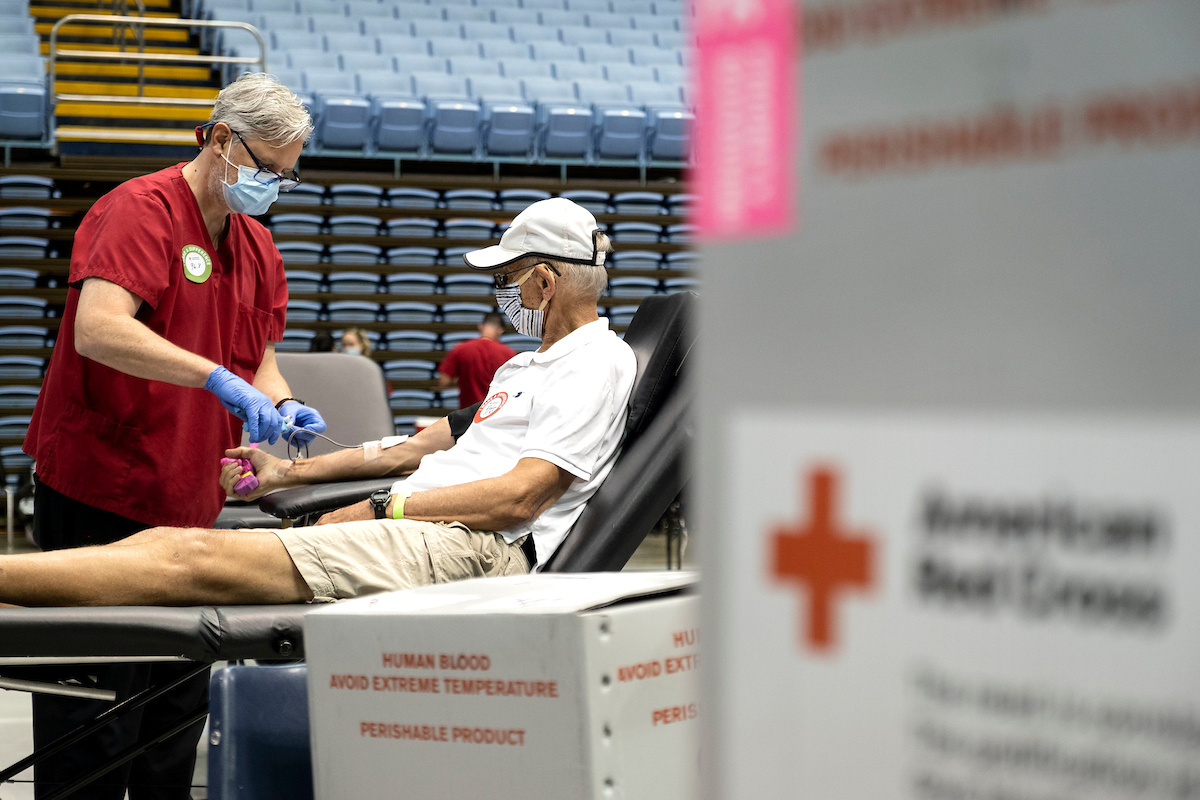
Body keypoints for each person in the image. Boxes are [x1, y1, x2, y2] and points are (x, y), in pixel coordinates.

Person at [0, 198, 632, 609]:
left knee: (187, 557)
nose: (501, 292)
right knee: (166, 543)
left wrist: (385, 509)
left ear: (543, 282)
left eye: (506, 278)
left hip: (470, 546)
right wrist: (287, 472)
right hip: (429, 529)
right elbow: (406, 450)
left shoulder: (594, 361)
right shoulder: (524, 366)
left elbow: (518, 499)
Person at [18, 73, 327, 800]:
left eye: (287, 177)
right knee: (94, 717)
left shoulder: (256, 245)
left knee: (172, 715)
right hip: (102, 490)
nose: (274, 187)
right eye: (267, 170)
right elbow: (99, 331)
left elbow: (260, 356)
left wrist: (283, 405)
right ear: (220, 140)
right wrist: (217, 380)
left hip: (188, 508)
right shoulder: (138, 210)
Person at [437, 311, 518, 408]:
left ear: (480, 326)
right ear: (501, 330)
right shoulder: (509, 354)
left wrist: (463, 377)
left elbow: (443, 381)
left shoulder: (461, 349)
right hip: (496, 415)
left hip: (469, 415)